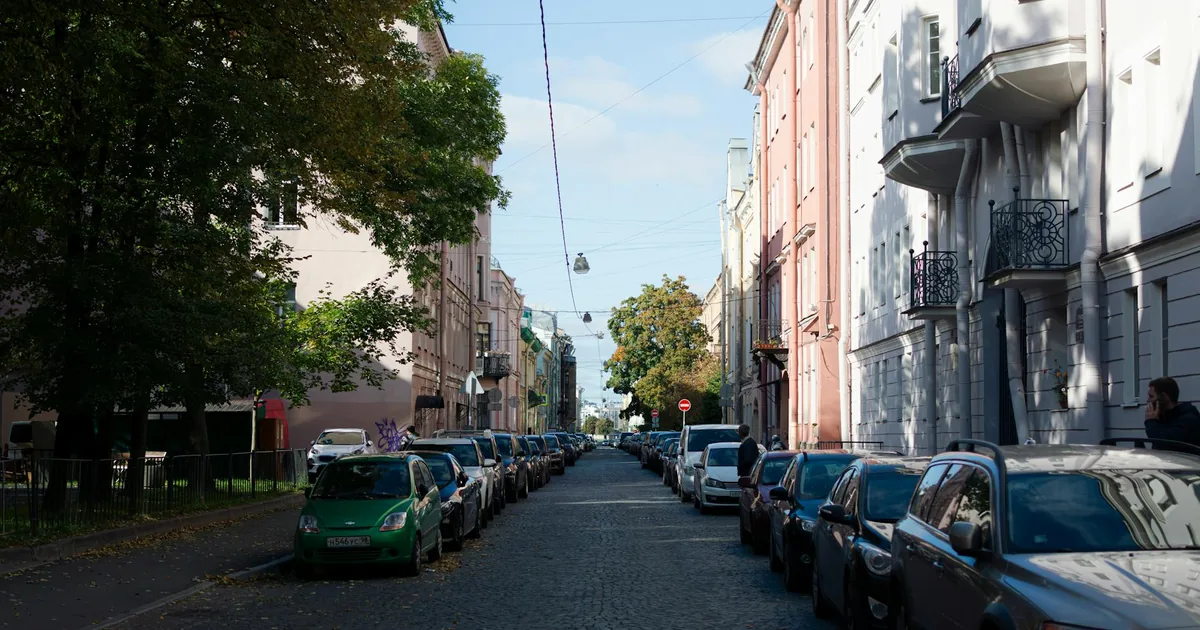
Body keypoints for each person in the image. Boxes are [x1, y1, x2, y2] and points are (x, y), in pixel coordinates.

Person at [1145, 377, 1200, 447]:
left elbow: (1163, 441)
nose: (1148, 400)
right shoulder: (1164, 417)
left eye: (1151, 396)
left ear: (1164, 397)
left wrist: (1151, 421)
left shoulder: (1188, 420)